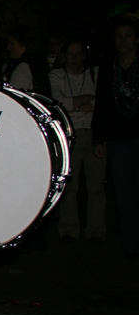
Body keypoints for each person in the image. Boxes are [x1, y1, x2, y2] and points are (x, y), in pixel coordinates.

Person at [49, 40, 107, 243]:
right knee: (69, 187)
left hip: (93, 134)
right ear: (65, 56)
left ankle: (96, 230)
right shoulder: (57, 75)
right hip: (69, 136)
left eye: (78, 53)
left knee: (96, 186)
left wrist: (75, 104)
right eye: (70, 54)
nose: (74, 58)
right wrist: (88, 99)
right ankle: (68, 230)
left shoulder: (96, 73)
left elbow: (102, 102)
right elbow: (59, 103)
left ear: (84, 56)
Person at [92, 18, 139, 258]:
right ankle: (131, 245)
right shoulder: (110, 66)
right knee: (124, 194)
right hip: (119, 139)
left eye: (128, 35)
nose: (123, 40)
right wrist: (98, 139)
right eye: (119, 36)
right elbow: (102, 104)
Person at [2, 27, 50, 96]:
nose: (8, 47)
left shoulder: (23, 67)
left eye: (12, 43)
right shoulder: (39, 63)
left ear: (24, 45)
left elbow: (12, 96)